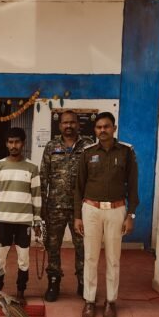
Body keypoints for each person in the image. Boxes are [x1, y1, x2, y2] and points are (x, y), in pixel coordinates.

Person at [74, 112, 138, 317]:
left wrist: (130, 215)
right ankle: (89, 300)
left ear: (114, 128)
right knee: (90, 257)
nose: (103, 130)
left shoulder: (126, 152)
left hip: (116, 210)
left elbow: (133, 186)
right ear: (95, 130)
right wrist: (77, 216)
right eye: (99, 127)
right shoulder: (88, 153)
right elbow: (79, 187)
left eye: (106, 126)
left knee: (113, 259)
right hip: (91, 210)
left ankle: (111, 301)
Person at [40, 110, 93, 302]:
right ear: (59, 125)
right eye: (65, 123)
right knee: (53, 246)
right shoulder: (51, 146)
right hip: (55, 207)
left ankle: (83, 282)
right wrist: (42, 204)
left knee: (83, 246)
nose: (68, 126)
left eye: (72, 122)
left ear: (78, 124)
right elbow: (43, 176)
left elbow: (93, 176)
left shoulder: (88, 145)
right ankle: (54, 282)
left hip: (81, 208)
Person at [0, 128, 42, 304]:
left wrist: (37, 220)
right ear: (6, 144)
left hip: (24, 222)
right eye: (10, 142)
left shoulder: (32, 168)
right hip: (3, 220)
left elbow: (36, 196)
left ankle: (21, 291)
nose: (13, 145)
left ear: (23, 143)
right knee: (0, 258)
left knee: (23, 259)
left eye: (17, 142)